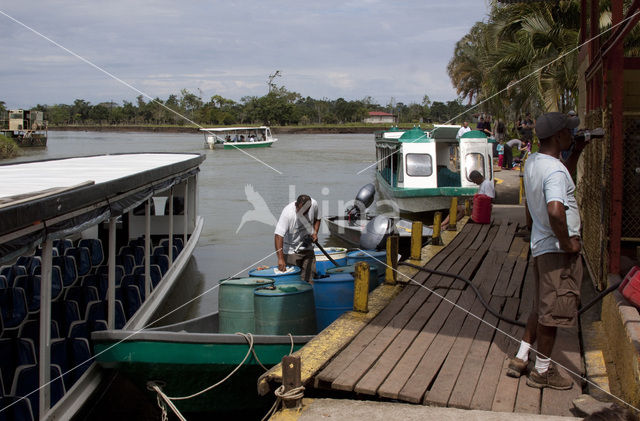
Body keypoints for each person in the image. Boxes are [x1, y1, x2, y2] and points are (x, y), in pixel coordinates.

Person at [506, 111, 586, 390]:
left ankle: (520, 357)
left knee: (540, 306)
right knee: (552, 312)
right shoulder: (553, 169)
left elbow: (550, 188)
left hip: (541, 245)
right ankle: (542, 371)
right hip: (556, 250)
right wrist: (567, 243)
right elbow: (555, 209)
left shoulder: (535, 162)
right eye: (568, 132)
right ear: (558, 136)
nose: (571, 135)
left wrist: (576, 153)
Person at [274, 194, 321, 283]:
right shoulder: (288, 213)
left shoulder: (314, 204)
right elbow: (278, 236)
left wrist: (315, 233)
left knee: (310, 279)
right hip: (291, 251)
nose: (302, 213)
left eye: (305, 211)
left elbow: (318, 218)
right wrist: (280, 259)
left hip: (308, 247)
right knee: (294, 282)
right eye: (300, 210)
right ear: (296, 205)